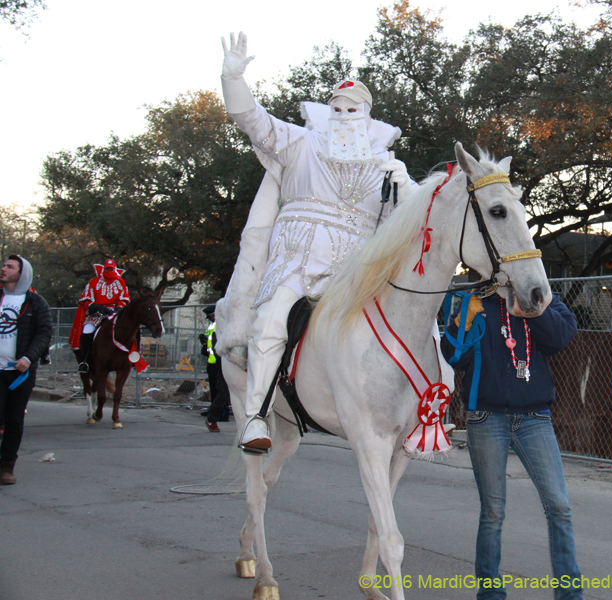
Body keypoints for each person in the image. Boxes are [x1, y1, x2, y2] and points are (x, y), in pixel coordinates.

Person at [217, 32, 414, 452]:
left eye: (353, 108)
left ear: (366, 115)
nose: (343, 114)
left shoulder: (385, 162)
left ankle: (423, 416)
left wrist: (407, 189)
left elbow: (405, 228)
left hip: (357, 270)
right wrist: (233, 79)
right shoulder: (299, 141)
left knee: (416, 322)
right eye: (337, 107)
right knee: (271, 323)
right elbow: (251, 118)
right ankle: (256, 415)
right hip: (299, 259)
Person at [441, 293, 584, 600]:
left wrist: (534, 309)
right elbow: (454, 356)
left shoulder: (540, 296)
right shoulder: (473, 302)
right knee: (492, 511)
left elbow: (560, 337)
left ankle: (570, 594)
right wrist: (462, 320)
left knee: (559, 505)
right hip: (486, 416)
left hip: (534, 417)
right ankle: (490, 594)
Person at [0, 255, 52, 485]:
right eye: (3, 265)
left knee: (14, 419)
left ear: (21, 274)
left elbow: (44, 332)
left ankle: (6, 467)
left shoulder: (35, 302)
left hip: (20, 373)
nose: (3, 269)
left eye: (9, 267)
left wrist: (28, 357)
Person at [68, 259, 130, 374]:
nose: (109, 271)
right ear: (103, 268)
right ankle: (85, 361)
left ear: (115, 269)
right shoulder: (93, 282)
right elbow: (86, 301)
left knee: (131, 330)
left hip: (114, 314)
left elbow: (124, 300)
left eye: (111, 269)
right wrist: (98, 307)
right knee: (87, 331)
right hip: (96, 315)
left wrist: (118, 309)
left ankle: (134, 357)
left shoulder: (121, 283)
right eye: (107, 269)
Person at [198, 304, 230, 432]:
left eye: (211, 316)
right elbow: (213, 347)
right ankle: (214, 417)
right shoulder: (217, 327)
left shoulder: (221, 326)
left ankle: (216, 415)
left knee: (224, 392)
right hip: (219, 363)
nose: (210, 319)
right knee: (223, 392)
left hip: (220, 362)